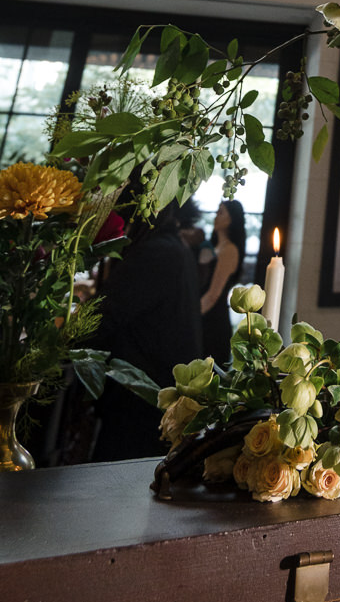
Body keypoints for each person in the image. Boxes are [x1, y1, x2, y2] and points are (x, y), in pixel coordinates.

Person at [91, 200, 202, 462]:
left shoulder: (157, 252)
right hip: (152, 395)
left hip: (141, 399)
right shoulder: (173, 247)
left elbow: (103, 318)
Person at [200, 198, 245, 364]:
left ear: (232, 219)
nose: (215, 217)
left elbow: (213, 294)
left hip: (213, 320)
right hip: (205, 315)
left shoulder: (230, 250)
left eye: (220, 213)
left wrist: (190, 317)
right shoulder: (213, 246)